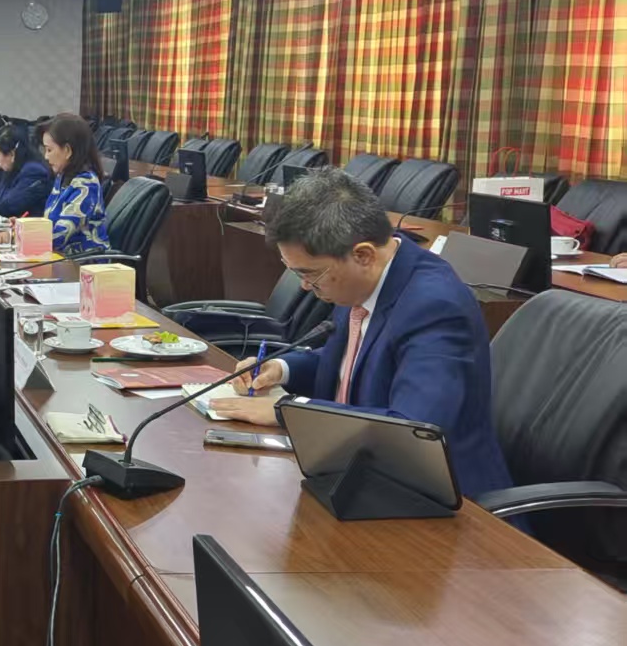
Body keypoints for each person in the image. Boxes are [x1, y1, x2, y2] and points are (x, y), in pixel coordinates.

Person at [211, 167, 513, 497]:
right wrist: (282, 369)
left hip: (438, 497)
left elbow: (413, 428)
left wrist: (289, 411)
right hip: (357, 470)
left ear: (363, 255)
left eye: (311, 274)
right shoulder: (360, 279)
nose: (305, 286)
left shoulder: (435, 306)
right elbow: (351, 363)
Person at [39, 113, 108, 254]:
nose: (46, 156)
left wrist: (15, 235)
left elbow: (59, 235)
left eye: (49, 150)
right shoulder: (62, 177)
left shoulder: (86, 185)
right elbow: (49, 224)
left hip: (83, 262)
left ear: (67, 150)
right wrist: (24, 227)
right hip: (58, 257)